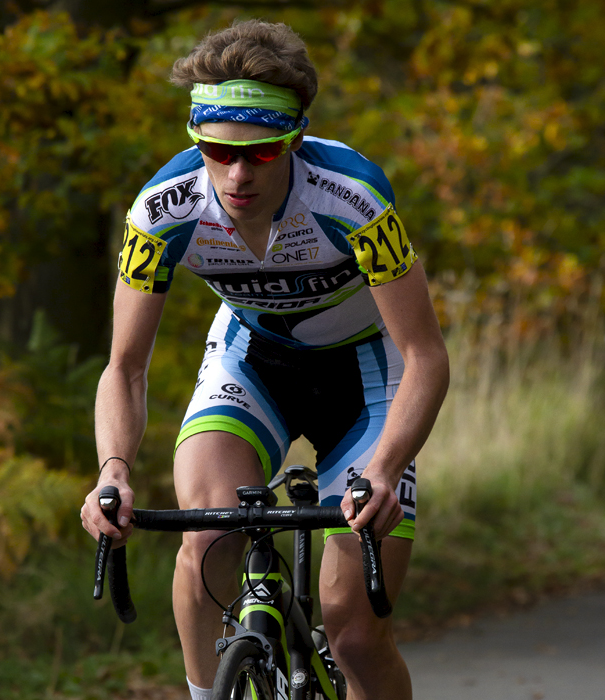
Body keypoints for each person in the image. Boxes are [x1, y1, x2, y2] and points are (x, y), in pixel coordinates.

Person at [81, 19, 449, 700]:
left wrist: (387, 468)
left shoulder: (352, 196)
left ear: (296, 139)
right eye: (218, 153)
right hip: (253, 362)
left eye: (262, 152)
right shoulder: (163, 212)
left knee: (354, 631)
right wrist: (114, 473)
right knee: (205, 543)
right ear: (197, 142)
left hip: (367, 376)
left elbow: (425, 356)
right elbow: (125, 367)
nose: (239, 174)